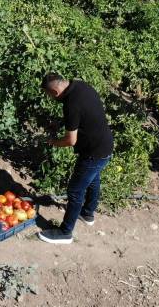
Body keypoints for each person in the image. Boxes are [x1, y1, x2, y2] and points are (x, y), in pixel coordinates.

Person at [38, 73, 114, 245]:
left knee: (75, 190)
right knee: (93, 180)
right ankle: (87, 213)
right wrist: (60, 123)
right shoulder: (80, 86)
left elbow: (71, 140)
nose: (49, 98)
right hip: (105, 145)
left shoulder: (71, 104)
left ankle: (65, 233)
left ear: (56, 92)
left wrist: (53, 142)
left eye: (48, 95)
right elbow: (82, 115)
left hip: (93, 152)